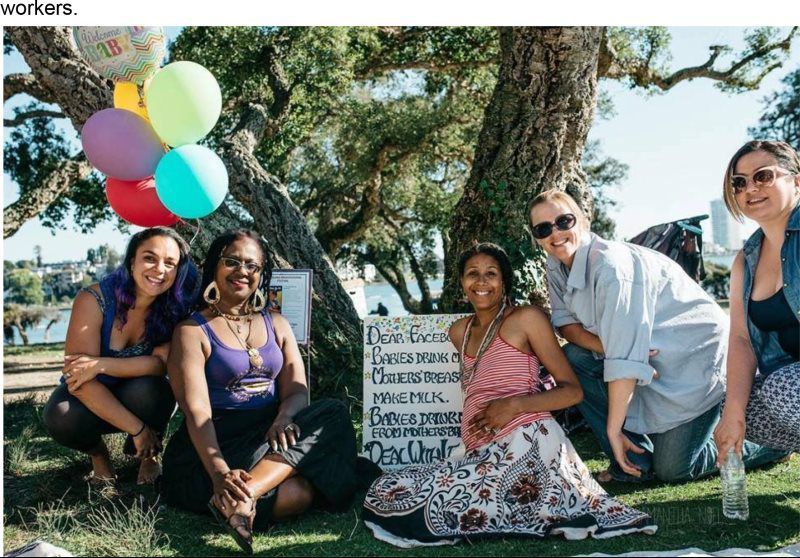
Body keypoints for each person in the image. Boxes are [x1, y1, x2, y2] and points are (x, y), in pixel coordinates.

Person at [363, 243, 656, 547]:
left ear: (504, 282)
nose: (481, 282)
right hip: (481, 449)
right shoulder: (458, 332)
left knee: (466, 508)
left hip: (527, 440)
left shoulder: (525, 319)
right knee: (399, 491)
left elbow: (572, 392)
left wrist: (513, 405)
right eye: (472, 274)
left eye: (491, 274)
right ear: (461, 281)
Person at [530, 189, 785, 484]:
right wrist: (613, 347)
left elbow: (625, 362)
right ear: (536, 236)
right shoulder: (556, 264)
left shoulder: (611, 267)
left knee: (674, 470)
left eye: (564, 221)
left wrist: (614, 427)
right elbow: (565, 326)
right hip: (647, 360)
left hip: (693, 358)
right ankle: (632, 462)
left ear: (584, 220)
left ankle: (770, 445)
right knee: (576, 358)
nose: (556, 233)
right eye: (544, 228)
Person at [160, 229, 357, 555]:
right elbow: (197, 413)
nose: (242, 271)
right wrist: (220, 472)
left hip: (267, 436)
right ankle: (235, 492)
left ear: (262, 275)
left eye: (252, 266)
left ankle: (244, 496)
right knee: (297, 493)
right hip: (211, 447)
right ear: (214, 267)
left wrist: (284, 417)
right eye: (232, 261)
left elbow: (296, 388)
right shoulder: (192, 330)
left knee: (332, 413)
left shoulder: (276, 323)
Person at [43, 227, 198, 486]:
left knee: (155, 390)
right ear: (131, 261)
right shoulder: (93, 299)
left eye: (170, 263)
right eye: (150, 258)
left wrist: (101, 365)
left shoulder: (173, 307)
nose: (159, 269)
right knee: (60, 414)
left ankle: (149, 456)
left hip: (137, 394)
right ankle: (99, 456)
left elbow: (160, 364)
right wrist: (137, 429)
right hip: (88, 398)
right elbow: (78, 377)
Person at [714, 140, 800, 458]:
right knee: (741, 407)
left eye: (763, 176)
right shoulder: (745, 260)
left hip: (790, 385)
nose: (751, 188)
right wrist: (733, 414)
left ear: (796, 180)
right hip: (790, 379)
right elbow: (741, 339)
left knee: (782, 388)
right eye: (740, 182)